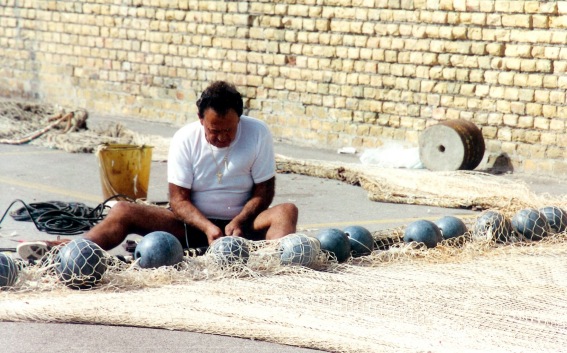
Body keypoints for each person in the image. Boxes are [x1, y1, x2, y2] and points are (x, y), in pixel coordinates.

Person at [18, 81, 298, 258]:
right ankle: (70, 250)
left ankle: (272, 263)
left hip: (243, 228)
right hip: (193, 227)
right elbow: (178, 201)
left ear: (240, 118)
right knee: (124, 210)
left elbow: (264, 192)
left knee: (287, 211)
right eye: (215, 131)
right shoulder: (184, 139)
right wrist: (209, 228)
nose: (223, 138)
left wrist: (238, 221)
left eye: (229, 130)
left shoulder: (258, 132)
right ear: (200, 119)